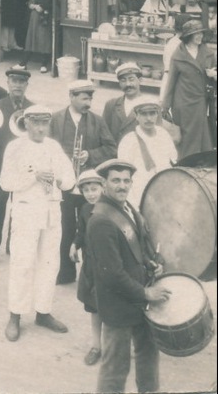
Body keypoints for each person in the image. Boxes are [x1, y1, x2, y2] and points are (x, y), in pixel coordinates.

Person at [86, 159, 170, 394]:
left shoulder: (128, 208)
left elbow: (139, 248)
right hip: (119, 306)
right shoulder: (100, 221)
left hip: (141, 299)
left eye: (126, 180)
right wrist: (146, 293)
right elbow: (111, 274)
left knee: (148, 357)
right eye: (116, 180)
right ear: (104, 183)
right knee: (115, 368)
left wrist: (151, 263)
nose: (122, 186)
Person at [0, 104, 76, 341]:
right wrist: (34, 176)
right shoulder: (15, 146)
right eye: (36, 123)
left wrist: (60, 178)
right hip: (26, 213)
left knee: (50, 263)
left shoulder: (53, 146)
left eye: (45, 123)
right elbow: (5, 182)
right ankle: (16, 315)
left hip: (51, 213)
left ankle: (43, 311)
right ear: (27, 123)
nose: (41, 128)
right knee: (22, 263)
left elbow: (70, 179)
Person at [51, 79, 117, 285]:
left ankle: (90, 273)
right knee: (65, 228)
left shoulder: (97, 120)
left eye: (90, 97)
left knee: (91, 228)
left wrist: (90, 155)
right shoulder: (56, 119)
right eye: (84, 97)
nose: (88, 101)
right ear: (71, 96)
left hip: (89, 187)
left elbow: (111, 148)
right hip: (65, 185)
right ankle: (66, 272)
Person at [0, 66, 34, 270]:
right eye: (14, 81)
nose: (17, 85)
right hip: (1, 167)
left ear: (27, 85)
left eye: (21, 82)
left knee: (20, 209)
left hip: (23, 169)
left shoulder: (33, 109)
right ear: (8, 83)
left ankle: (14, 246)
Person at [162, 19, 217, 160]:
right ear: (188, 36)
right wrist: (165, 107)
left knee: (201, 133)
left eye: (201, 33)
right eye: (196, 34)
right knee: (185, 135)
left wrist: (213, 75)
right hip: (182, 103)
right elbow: (171, 82)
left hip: (201, 101)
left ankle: (200, 162)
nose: (199, 36)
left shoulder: (209, 54)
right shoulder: (178, 56)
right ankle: (185, 163)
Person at [116, 97, 177, 209]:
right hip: (139, 195)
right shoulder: (128, 141)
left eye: (152, 113)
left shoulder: (164, 135)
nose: (149, 118)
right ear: (136, 116)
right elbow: (124, 177)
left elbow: (173, 162)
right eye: (144, 114)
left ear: (157, 114)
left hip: (165, 191)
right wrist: (133, 205)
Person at [71, 169, 106, 366]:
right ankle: (96, 346)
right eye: (87, 190)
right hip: (91, 266)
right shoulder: (84, 210)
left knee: (112, 307)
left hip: (108, 267)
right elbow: (81, 231)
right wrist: (74, 244)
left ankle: (117, 347)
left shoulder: (110, 209)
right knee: (94, 309)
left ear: (103, 188)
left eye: (95, 189)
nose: (91, 194)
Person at [20, 0, 54, 73]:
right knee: (30, 39)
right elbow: (29, 2)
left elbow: (52, 2)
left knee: (44, 40)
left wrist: (43, 7)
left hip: (44, 17)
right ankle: (23, 63)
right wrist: (34, 6)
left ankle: (44, 64)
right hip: (34, 16)